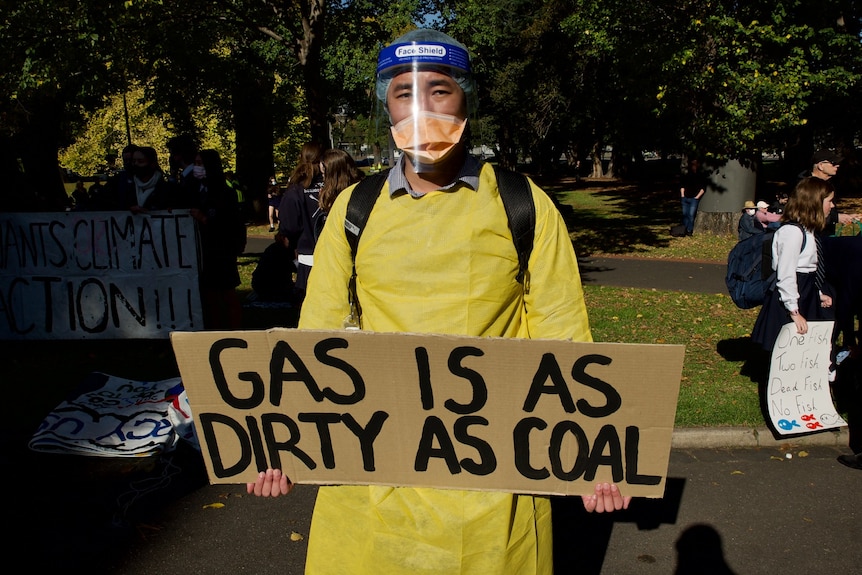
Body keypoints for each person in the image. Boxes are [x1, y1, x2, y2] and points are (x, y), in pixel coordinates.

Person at [248, 29, 630, 575]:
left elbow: (564, 336)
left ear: (466, 99)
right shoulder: (355, 210)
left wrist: (594, 450)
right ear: (386, 104)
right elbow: (317, 341)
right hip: (373, 483)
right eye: (404, 92)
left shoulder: (522, 204)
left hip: (493, 489)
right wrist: (283, 440)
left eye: (439, 90)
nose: (422, 108)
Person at [751, 177, 836, 353]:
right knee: (787, 351)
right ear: (814, 203)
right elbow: (786, 274)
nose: (832, 206)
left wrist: (817, 293)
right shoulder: (792, 233)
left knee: (805, 351)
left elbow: (807, 268)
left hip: (806, 293)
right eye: (829, 201)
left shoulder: (807, 230)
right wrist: (794, 312)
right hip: (790, 300)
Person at [188, 149, 242, 330]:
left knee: (226, 291)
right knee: (209, 292)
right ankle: (215, 327)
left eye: (199, 164)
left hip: (222, 248)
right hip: (202, 249)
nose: (196, 168)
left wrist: (204, 219)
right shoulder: (194, 190)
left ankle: (234, 328)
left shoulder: (225, 192)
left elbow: (230, 222)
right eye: (195, 163)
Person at [277, 142, 324, 299]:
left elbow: (289, 225)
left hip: (307, 257)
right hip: (333, 255)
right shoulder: (335, 185)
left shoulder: (296, 190)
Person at [801, 149, 860, 235]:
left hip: (826, 235)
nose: (837, 165)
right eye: (833, 163)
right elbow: (805, 214)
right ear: (820, 166)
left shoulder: (829, 183)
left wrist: (843, 216)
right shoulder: (804, 187)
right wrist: (836, 218)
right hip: (810, 235)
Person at [679, 158, 706, 235]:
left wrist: (697, 197)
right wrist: (682, 195)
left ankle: (689, 230)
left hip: (694, 199)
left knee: (691, 214)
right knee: (685, 214)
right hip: (685, 197)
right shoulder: (687, 175)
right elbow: (682, 185)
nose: (693, 166)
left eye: (694, 165)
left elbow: (703, 188)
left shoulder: (700, 176)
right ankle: (683, 229)